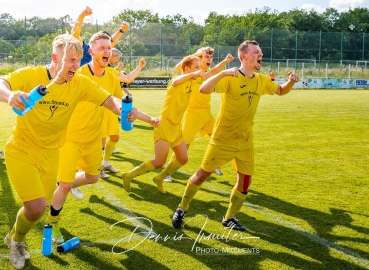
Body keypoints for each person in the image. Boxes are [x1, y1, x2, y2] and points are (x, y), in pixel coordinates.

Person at [0, 33, 128, 269]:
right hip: (22, 150)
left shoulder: (80, 83)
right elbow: (2, 83)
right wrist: (10, 96)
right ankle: (16, 241)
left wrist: (125, 110)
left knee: (41, 207)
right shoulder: (32, 74)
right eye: (69, 60)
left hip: (52, 154)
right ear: (54, 57)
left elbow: (111, 101)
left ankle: (13, 235)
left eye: (77, 60)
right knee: (37, 207)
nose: (74, 66)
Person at [171, 40, 300, 231]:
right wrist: (222, 72)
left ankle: (229, 217)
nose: (260, 54)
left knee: (245, 181)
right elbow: (203, 89)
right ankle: (182, 208)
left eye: (260, 51)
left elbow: (280, 90)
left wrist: (290, 81)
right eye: (256, 52)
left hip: (246, 140)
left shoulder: (261, 80)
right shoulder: (230, 77)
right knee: (200, 176)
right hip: (223, 139)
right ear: (244, 56)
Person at [49, 32, 159, 243]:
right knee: (64, 185)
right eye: (102, 48)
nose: (107, 51)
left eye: (108, 48)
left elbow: (119, 103)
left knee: (92, 177)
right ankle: (53, 225)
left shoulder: (111, 77)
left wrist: (149, 119)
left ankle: (64, 185)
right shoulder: (76, 74)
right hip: (70, 138)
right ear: (91, 52)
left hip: (93, 138)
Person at [121, 55, 204, 194]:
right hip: (164, 124)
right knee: (159, 162)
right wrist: (194, 74)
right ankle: (128, 175)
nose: (199, 70)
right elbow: (177, 80)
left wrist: (225, 66)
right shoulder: (175, 81)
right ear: (187, 68)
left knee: (183, 159)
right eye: (196, 67)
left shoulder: (192, 81)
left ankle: (160, 178)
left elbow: (210, 74)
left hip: (177, 126)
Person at [164, 47, 234, 183]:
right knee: (184, 147)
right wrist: (197, 54)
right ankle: (167, 172)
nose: (209, 59)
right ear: (198, 58)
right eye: (206, 57)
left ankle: (215, 165)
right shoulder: (191, 71)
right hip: (192, 114)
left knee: (221, 138)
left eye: (210, 57)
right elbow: (179, 65)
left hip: (206, 113)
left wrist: (225, 61)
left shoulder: (207, 72)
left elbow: (215, 71)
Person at [100, 57, 147, 178]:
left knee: (114, 138)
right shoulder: (91, 72)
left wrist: (140, 67)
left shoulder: (110, 71)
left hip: (111, 110)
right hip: (98, 112)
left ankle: (104, 163)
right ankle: (95, 168)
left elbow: (127, 78)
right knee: (97, 142)